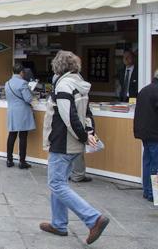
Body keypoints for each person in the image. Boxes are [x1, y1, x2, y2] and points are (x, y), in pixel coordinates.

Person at [40, 51, 109, 245]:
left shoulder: (63, 85)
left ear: (57, 67)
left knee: (56, 184)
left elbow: (68, 117)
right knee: (59, 182)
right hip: (74, 143)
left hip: (62, 143)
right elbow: (86, 113)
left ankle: (93, 218)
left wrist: (83, 135)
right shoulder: (79, 84)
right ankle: (59, 224)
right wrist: (88, 133)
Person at [133, 69, 158, 203]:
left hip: (145, 133)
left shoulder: (144, 90)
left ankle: (147, 190)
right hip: (155, 133)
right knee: (156, 164)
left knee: (147, 161)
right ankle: (153, 193)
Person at [4, 64, 36, 169]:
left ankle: (9, 159)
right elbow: (28, 99)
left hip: (12, 111)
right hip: (22, 112)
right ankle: (22, 162)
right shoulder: (23, 83)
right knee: (23, 136)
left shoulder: (7, 83)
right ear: (22, 72)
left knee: (12, 135)